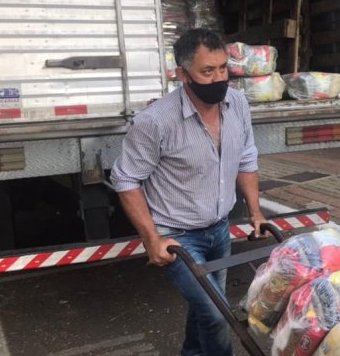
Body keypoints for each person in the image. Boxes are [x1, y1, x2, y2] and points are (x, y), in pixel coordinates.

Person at [110, 28, 266, 356]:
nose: (218, 78)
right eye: (207, 71)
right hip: (178, 238)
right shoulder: (155, 122)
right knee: (217, 314)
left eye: (223, 68)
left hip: (219, 231)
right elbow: (126, 179)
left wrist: (255, 211)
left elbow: (247, 156)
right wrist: (152, 239)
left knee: (207, 307)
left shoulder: (237, 104)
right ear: (183, 74)